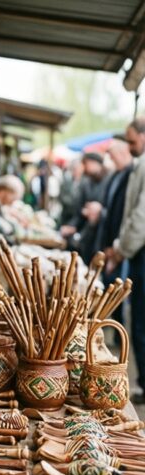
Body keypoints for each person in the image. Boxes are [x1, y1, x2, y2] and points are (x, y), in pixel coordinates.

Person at [109, 117, 145, 403]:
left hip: (141, 254)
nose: (130, 145)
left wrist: (122, 248)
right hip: (137, 252)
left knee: (142, 321)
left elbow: (140, 218)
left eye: (132, 141)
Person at [95, 140, 134, 324]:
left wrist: (116, 245)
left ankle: (118, 329)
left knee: (118, 287)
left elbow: (125, 215)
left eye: (113, 155)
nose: (110, 159)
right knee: (110, 283)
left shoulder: (129, 175)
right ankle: (113, 324)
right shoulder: (115, 176)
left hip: (119, 242)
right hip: (110, 239)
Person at [60, 152, 109, 259]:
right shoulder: (86, 182)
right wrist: (72, 225)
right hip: (86, 232)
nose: (85, 167)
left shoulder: (108, 180)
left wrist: (99, 211)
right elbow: (79, 208)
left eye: (86, 164)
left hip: (102, 233)